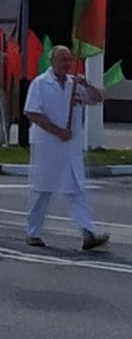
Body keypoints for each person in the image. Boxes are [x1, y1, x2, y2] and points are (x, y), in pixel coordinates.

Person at [23, 45, 111, 251]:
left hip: (70, 148)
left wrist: (87, 85)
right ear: (52, 61)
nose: (66, 64)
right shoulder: (41, 84)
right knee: (42, 191)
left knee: (77, 190)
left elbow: (98, 99)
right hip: (49, 147)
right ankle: (33, 232)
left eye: (69, 60)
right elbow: (32, 113)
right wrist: (57, 131)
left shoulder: (75, 85)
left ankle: (87, 232)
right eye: (62, 60)